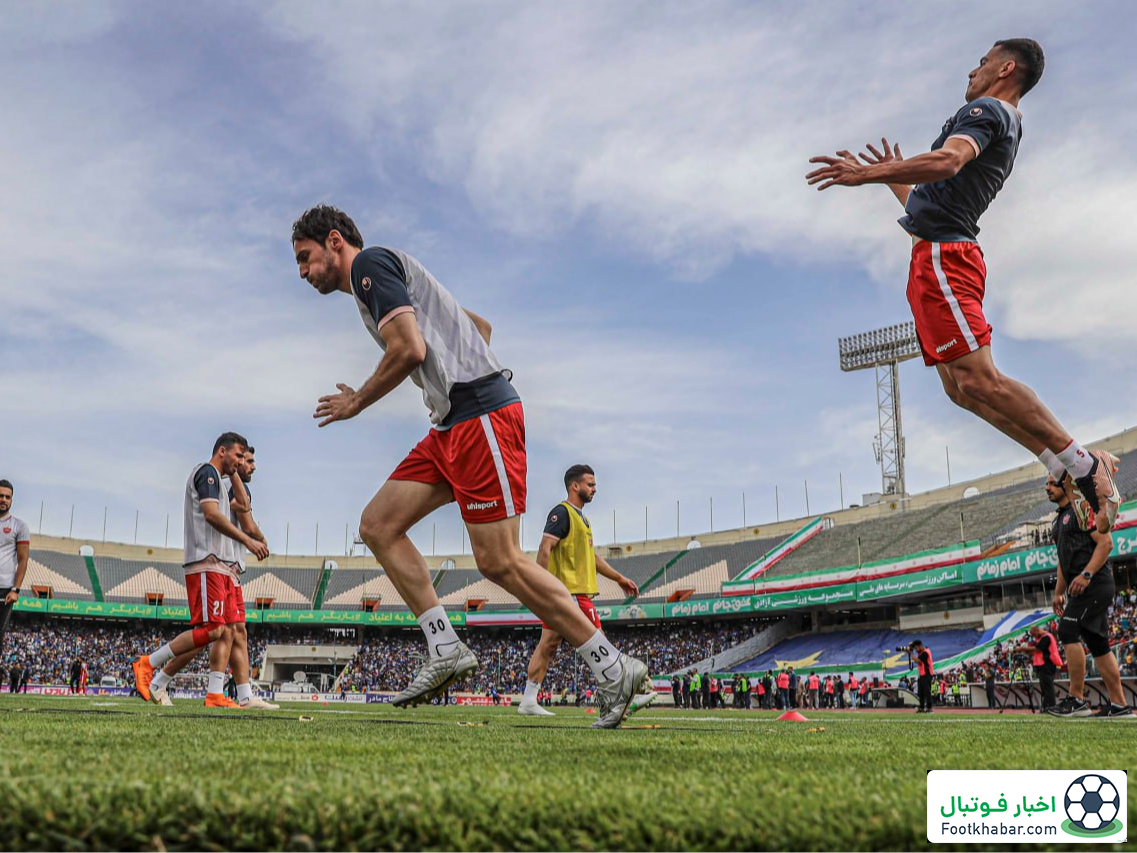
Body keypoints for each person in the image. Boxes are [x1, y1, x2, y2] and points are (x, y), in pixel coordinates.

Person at [290, 205, 648, 729]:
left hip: (479, 414)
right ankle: (445, 648)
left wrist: (358, 402)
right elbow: (478, 325)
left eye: (305, 257)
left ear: (334, 241)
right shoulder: (384, 278)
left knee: (500, 560)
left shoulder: (369, 266)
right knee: (378, 525)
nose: (302, 272)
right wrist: (459, 352)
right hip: (450, 424)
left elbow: (409, 349)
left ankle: (613, 667)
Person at [806, 39, 1120, 535]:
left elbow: (949, 163)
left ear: (1005, 68)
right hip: (934, 254)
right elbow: (942, 193)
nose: (973, 68)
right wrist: (896, 183)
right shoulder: (999, 119)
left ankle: (1083, 465)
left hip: (944, 258)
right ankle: (1057, 462)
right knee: (960, 390)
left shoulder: (987, 109)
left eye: (982, 60)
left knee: (979, 379)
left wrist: (867, 173)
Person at [132, 433, 270, 708]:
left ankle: (219, 693)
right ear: (223, 451)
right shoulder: (207, 473)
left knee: (224, 630)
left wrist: (235, 475)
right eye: (240, 457)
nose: (245, 463)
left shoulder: (222, 480)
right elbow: (213, 514)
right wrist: (249, 539)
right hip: (208, 561)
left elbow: (242, 507)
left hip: (220, 565)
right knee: (212, 630)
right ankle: (149, 665)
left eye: (247, 458)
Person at [516, 465, 641, 717]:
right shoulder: (562, 513)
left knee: (548, 645)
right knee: (600, 644)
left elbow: (591, 558)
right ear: (575, 486)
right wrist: (541, 585)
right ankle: (617, 702)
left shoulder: (582, 519)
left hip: (572, 594)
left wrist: (619, 578)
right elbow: (545, 547)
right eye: (590, 484)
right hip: (571, 594)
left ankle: (528, 700)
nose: (595, 489)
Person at [1044, 477, 1133, 718]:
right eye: (1047, 484)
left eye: (1052, 483)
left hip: (1095, 583)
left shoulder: (1082, 509)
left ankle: (1077, 700)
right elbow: (1063, 560)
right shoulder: (1057, 521)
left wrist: (1086, 574)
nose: (1047, 487)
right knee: (1098, 644)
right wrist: (1059, 592)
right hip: (1080, 588)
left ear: (1066, 486)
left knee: (1067, 630)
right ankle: (1119, 705)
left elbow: (1106, 543)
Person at [0, 479, 31, 660]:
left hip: (5, 590)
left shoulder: (19, 526)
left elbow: (23, 559)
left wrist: (15, 589)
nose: (3, 499)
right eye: (1, 495)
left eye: (7, 497)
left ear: (11, 500)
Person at [1013, 624, 1061, 711]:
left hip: (1046, 665)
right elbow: (1034, 651)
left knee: (1048, 688)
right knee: (1045, 688)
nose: (1034, 637)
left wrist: (1022, 648)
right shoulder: (1043, 638)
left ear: (1037, 630)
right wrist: (1024, 650)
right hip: (1043, 666)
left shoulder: (1046, 637)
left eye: (1034, 634)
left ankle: (1051, 707)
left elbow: (1036, 649)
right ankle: (1046, 707)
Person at [912, 640, 934, 713]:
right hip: (922, 674)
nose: (916, 650)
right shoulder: (923, 651)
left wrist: (910, 653)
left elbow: (918, 661)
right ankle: (921, 707)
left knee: (927, 692)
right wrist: (911, 645)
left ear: (921, 646)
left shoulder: (925, 653)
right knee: (920, 692)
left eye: (916, 648)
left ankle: (929, 708)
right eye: (914, 648)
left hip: (927, 674)